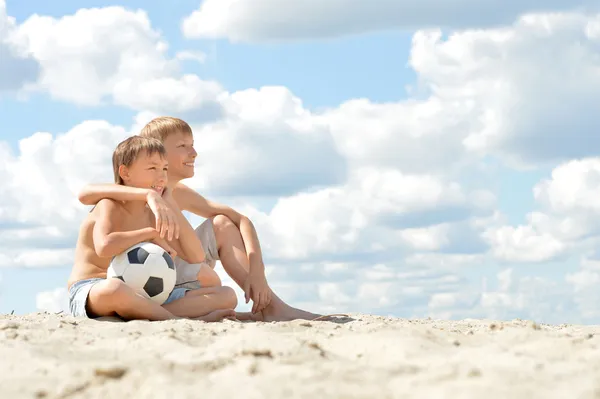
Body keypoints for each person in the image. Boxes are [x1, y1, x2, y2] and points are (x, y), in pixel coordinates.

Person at [78, 117, 322, 321]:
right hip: (111, 283)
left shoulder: (174, 194)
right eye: (183, 146)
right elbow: (86, 195)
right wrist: (150, 196)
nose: (193, 152)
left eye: (192, 145)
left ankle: (268, 306)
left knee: (225, 279)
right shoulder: (116, 200)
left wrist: (257, 271)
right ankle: (171, 317)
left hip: (155, 277)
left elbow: (223, 233)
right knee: (120, 290)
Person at [68, 135, 237, 322]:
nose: (162, 176)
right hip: (95, 288)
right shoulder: (109, 204)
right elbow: (104, 247)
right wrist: (150, 232)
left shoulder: (154, 214)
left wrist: (169, 201)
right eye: (152, 168)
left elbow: (196, 256)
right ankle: (175, 318)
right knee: (115, 290)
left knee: (227, 295)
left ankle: (148, 311)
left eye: (165, 168)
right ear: (125, 173)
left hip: (143, 294)